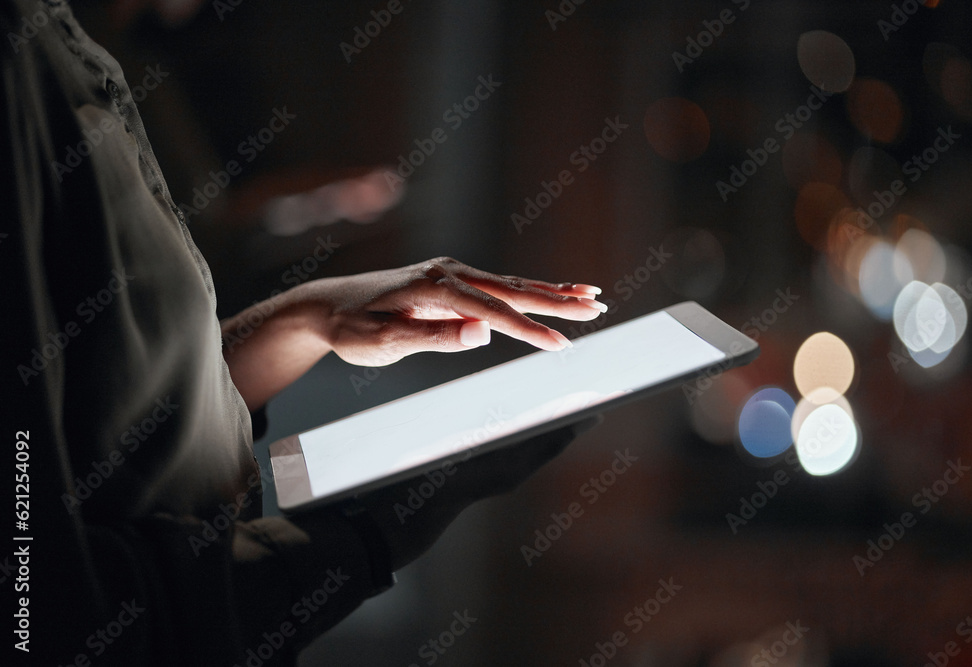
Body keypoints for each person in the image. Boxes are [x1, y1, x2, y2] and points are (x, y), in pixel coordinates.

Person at [1, 0, 607, 663]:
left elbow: (116, 401)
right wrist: (367, 535)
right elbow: (47, 614)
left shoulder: (65, 47)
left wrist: (304, 319)